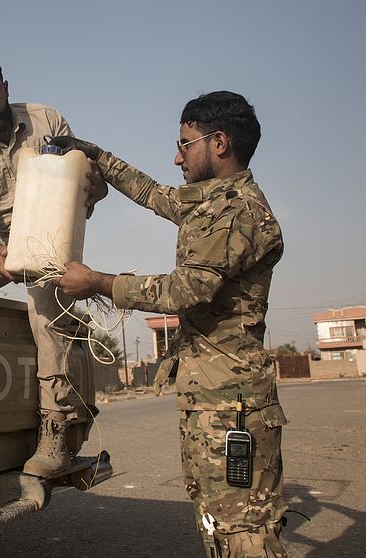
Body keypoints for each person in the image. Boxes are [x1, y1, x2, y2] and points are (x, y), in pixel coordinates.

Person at [52, 91, 287, 557]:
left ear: (218, 142)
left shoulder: (237, 212)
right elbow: (151, 193)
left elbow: (188, 289)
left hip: (232, 408)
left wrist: (99, 282)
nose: (176, 156)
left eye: (185, 144)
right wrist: (97, 155)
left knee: (244, 533)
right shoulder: (208, 203)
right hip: (211, 402)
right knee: (217, 524)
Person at [0, 52, 107, 478]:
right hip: (1, 243)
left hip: (49, 235)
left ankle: (54, 430)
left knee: (43, 315)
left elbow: (88, 178)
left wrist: (94, 188)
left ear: (5, 87)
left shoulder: (48, 119)